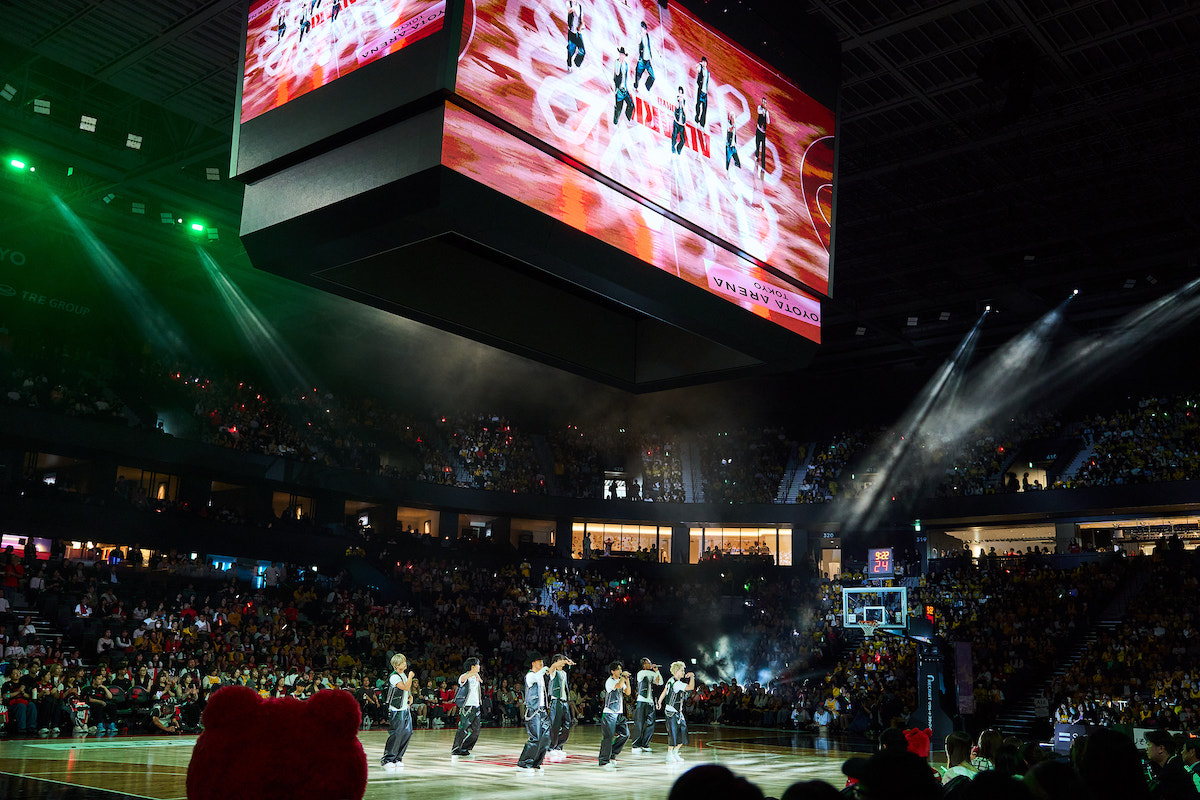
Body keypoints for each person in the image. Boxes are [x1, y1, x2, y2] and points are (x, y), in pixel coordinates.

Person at [518, 652, 569, 771]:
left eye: (542, 661)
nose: (541, 663)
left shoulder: (540, 675)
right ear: (533, 663)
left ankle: (536, 762)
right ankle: (524, 763)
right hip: (533, 711)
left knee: (547, 737)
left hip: (542, 711)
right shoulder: (530, 676)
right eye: (539, 661)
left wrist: (563, 662)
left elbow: (551, 669)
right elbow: (542, 673)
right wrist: (546, 668)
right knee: (535, 738)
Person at [381, 653, 414, 772]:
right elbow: (404, 687)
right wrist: (410, 677)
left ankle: (398, 758)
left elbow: (407, 690)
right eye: (402, 662)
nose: (405, 664)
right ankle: (388, 759)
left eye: (405, 661)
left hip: (405, 709)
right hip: (396, 710)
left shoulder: (403, 674)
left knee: (407, 733)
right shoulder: (394, 677)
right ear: (396, 665)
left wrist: (410, 697)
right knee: (396, 734)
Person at [658, 661, 694, 762]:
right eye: (682, 670)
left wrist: (660, 701)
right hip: (671, 711)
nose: (683, 672)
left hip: (678, 712)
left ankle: (675, 752)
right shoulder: (676, 683)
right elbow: (691, 687)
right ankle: (669, 754)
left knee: (683, 732)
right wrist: (692, 677)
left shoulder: (671, 680)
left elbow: (665, 691)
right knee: (673, 733)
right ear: (676, 671)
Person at [598, 661, 631, 769]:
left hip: (619, 713)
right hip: (609, 713)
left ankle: (612, 754)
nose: (620, 671)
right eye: (618, 669)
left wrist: (627, 680)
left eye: (621, 669)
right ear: (612, 671)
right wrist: (622, 678)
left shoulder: (620, 680)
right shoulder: (610, 681)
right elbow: (619, 686)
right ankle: (604, 760)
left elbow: (628, 692)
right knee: (608, 737)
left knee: (625, 734)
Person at [450, 657, 483, 760]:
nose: (479, 667)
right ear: (472, 667)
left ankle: (465, 748)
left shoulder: (476, 676)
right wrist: (473, 673)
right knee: (463, 728)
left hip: (476, 706)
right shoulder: (464, 676)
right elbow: (461, 681)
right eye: (478, 665)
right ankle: (456, 748)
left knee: (476, 730)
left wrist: (476, 675)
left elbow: (481, 682)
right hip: (467, 706)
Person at [547, 652, 576, 761]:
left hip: (564, 702)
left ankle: (559, 745)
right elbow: (552, 667)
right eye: (561, 661)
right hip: (556, 701)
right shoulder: (553, 672)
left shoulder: (564, 673)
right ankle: (551, 747)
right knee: (555, 725)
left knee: (567, 725)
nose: (563, 663)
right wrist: (565, 660)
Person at [631, 658, 663, 752]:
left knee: (651, 723)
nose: (651, 664)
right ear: (644, 664)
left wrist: (657, 671)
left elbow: (660, 682)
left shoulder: (651, 674)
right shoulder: (641, 673)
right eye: (649, 663)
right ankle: (635, 745)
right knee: (639, 723)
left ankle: (645, 744)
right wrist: (655, 672)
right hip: (642, 701)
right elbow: (651, 675)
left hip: (650, 701)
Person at [613, 48, 634, 126]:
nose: (622, 56)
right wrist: (619, 63)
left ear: (625, 56)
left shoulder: (626, 64)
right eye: (621, 55)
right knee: (618, 108)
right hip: (619, 90)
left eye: (623, 55)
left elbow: (626, 77)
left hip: (625, 89)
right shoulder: (616, 62)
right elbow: (617, 73)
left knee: (631, 105)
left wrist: (628, 87)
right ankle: (615, 122)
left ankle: (627, 119)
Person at [634, 21, 655, 91]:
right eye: (643, 29)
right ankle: (635, 87)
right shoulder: (639, 34)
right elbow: (638, 42)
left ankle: (647, 87)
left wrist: (658, 52)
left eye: (645, 29)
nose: (644, 30)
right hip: (642, 61)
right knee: (638, 75)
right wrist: (641, 36)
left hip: (648, 61)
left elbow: (652, 44)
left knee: (653, 77)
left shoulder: (648, 36)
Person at [566, 0, 586, 71]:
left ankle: (577, 63)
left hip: (577, 32)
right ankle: (569, 64)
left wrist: (580, 26)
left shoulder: (580, 7)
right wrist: (573, 9)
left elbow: (582, 19)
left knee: (582, 51)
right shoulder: (569, 3)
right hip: (571, 32)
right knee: (571, 49)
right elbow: (569, 11)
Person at [754, 97, 770, 172]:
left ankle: (763, 165)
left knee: (763, 148)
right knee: (757, 145)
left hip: (763, 133)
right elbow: (759, 112)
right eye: (763, 102)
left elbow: (768, 121)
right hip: (758, 130)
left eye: (765, 102)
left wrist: (766, 114)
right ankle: (756, 156)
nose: (764, 103)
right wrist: (763, 112)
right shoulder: (759, 108)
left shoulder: (767, 112)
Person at [672, 87, 688, 154]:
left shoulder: (684, 101)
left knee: (683, 140)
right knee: (674, 136)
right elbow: (677, 107)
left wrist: (682, 104)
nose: (680, 94)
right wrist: (678, 101)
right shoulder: (676, 99)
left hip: (682, 124)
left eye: (681, 93)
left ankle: (678, 149)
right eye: (679, 93)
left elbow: (685, 112)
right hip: (676, 121)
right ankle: (673, 148)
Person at [694, 56, 709, 126]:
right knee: (698, 105)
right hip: (700, 91)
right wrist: (700, 63)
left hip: (705, 93)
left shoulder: (708, 72)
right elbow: (696, 66)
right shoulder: (700, 69)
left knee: (704, 108)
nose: (704, 63)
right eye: (703, 62)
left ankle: (702, 123)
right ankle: (697, 117)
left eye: (705, 62)